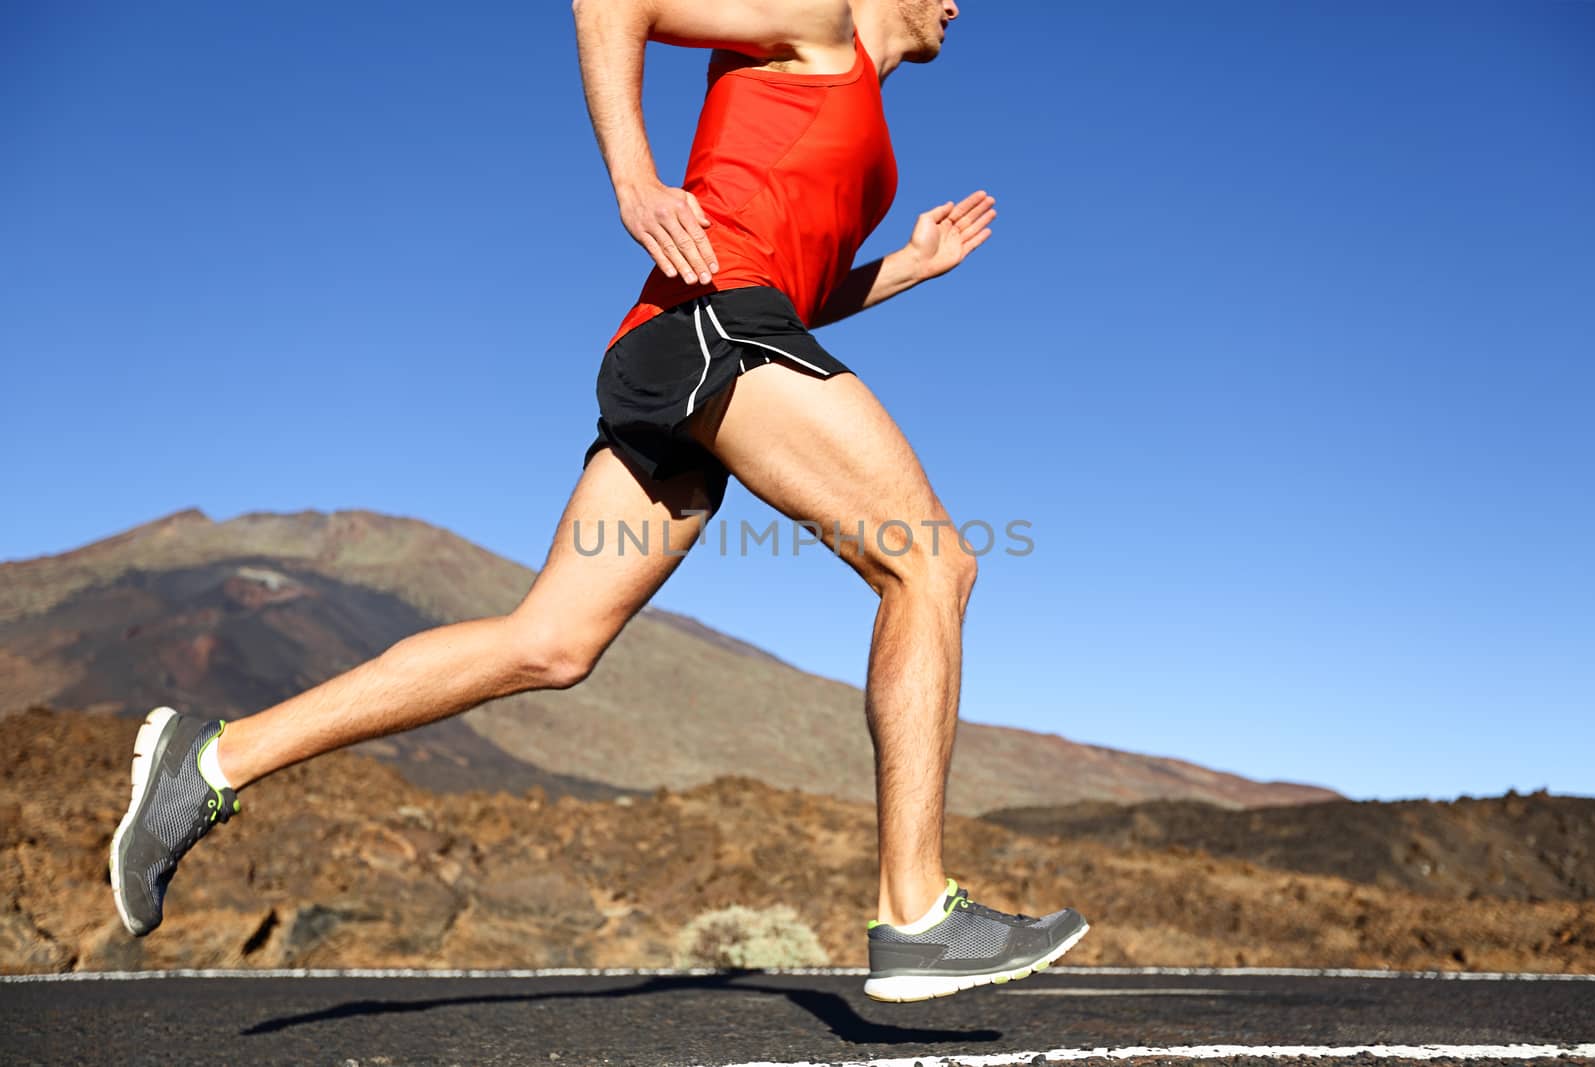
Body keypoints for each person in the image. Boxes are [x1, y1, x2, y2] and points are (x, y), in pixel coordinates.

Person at [109, 0, 1089, 1002]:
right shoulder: (821, 21)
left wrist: (906, 268)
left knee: (549, 643)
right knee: (928, 560)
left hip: (688, 346)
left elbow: (796, 282)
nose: (959, 7)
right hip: (716, 331)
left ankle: (211, 761)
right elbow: (612, 2)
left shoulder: (865, 110)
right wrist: (635, 180)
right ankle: (917, 909)